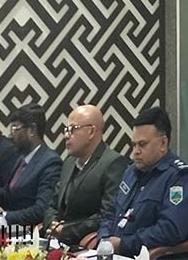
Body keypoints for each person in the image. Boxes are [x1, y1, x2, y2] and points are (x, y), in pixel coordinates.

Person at [97, 107, 188, 255]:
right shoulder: (130, 172)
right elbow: (111, 212)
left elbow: (171, 230)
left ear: (163, 144)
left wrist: (124, 244)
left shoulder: (178, 178)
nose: (135, 151)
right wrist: (104, 238)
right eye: (134, 145)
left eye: (142, 144)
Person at [43, 105, 129, 247]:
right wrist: (52, 224)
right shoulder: (69, 162)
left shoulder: (113, 163)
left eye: (73, 129)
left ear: (91, 132)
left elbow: (106, 215)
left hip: (85, 245)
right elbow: (52, 204)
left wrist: (65, 230)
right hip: (56, 242)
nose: (66, 135)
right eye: (66, 130)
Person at [0, 104, 63, 225]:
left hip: (28, 231)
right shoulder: (21, 159)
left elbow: (41, 210)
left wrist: (4, 216)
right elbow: (11, 196)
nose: (11, 135)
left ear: (32, 130)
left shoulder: (50, 162)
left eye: (15, 129)